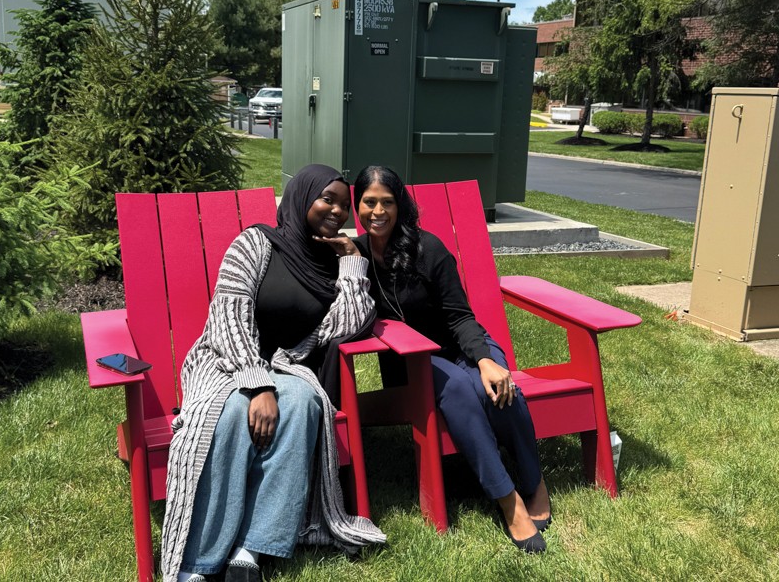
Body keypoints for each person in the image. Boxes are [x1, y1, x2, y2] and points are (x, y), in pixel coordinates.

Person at [161, 165, 386, 582]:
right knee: (227, 417)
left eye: (343, 203)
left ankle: (252, 548)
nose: (337, 210)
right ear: (302, 198)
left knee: (302, 403)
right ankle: (199, 562)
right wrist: (257, 383)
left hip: (287, 366)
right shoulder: (256, 243)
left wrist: (353, 264)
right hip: (226, 361)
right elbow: (229, 313)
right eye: (327, 199)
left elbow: (346, 325)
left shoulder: (332, 262)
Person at [352, 166, 551, 554]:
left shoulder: (429, 249)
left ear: (401, 205)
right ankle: (508, 500)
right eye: (369, 202)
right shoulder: (355, 256)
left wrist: (484, 360)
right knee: (461, 390)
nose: (378, 211)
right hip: (410, 361)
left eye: (387, 202)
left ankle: (534, 481)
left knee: (496, 385)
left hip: (464, 345)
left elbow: (460, 316)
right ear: (357, 205)